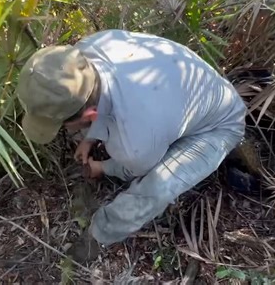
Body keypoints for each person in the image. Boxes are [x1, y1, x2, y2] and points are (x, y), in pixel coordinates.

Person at [15, 29, 247, 262]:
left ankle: (99, 235)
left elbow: (135, 168)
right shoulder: (82, 55)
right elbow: (98, 106)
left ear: (90, 113)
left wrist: (102, 167)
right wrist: (88, 138)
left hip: (218, 127)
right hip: (183, 96)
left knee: (156, 188)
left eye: (62, 124)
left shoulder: (135, 141)